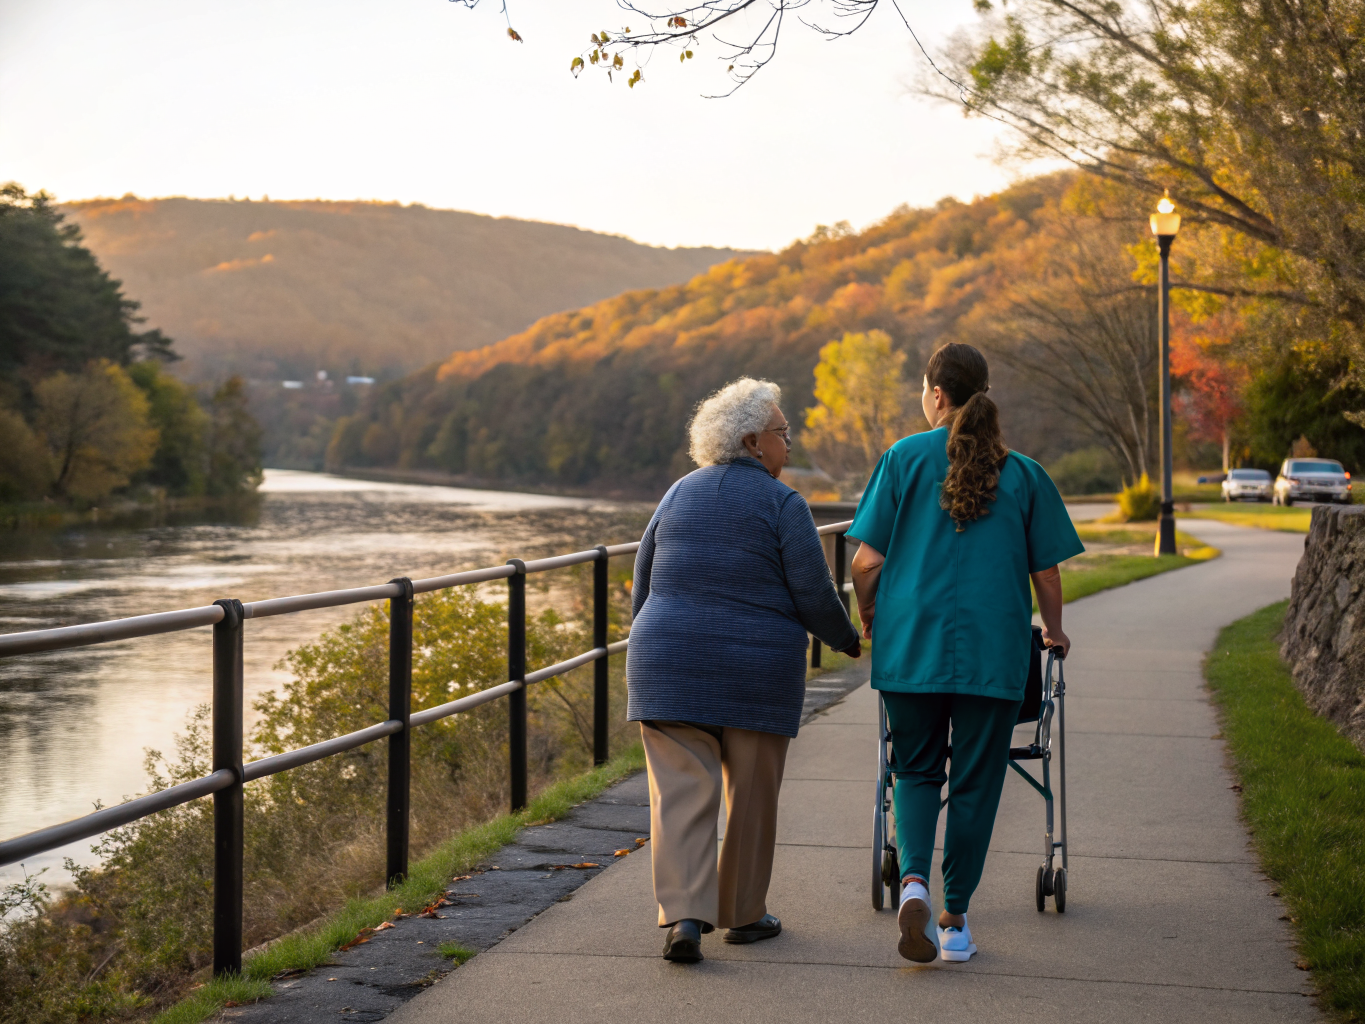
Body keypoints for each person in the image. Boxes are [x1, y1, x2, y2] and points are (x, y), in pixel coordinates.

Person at [848, 343, 1082, 965]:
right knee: (977, 782)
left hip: (912, 647)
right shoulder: (1024, 472)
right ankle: (953, 923)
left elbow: (865, 560)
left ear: (936, 395)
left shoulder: (901, 458)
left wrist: (869, 611)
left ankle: (914, 884)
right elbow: (1048, 572)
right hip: (993, 652)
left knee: (917, 770)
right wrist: (1053, 631)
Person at [627, 377, 862, 964]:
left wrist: (652, 645)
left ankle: (685, 914)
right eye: (785, 433)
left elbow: (644, 580)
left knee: (681, 794)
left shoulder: (678, 492)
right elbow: (812, 590)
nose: (790, 442)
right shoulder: (783, 504)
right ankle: (743, 914)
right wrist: (847, 640)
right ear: (755, 442)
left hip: (665, 663)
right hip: (753, 670)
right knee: (751, 792)